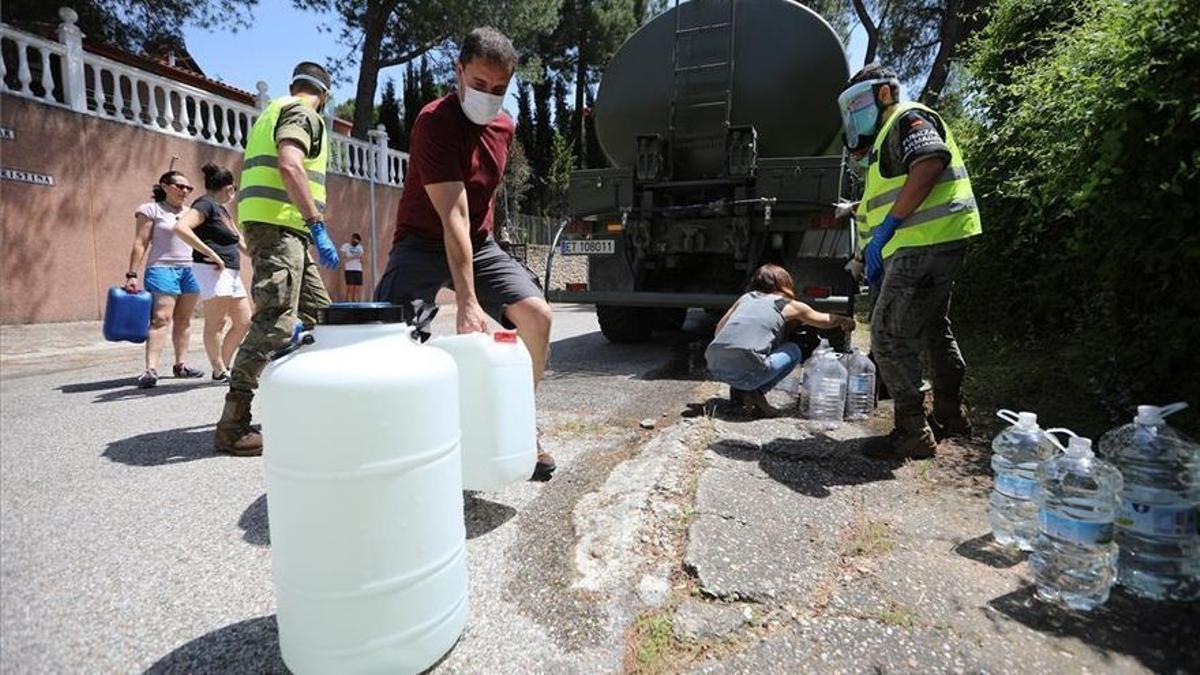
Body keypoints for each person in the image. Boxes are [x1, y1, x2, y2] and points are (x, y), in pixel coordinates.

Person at [374, 27, 556, 481]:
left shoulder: (505, 126)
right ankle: (399, 440)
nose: (488, 96)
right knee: (387, 340)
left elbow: (479, 205)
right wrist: (468, 301)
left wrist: (482, 266)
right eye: (479, 84)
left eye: (499, 89)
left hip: (480, 241)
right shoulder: (433, 121)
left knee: (537, 315)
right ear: (458, 71)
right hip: (422, 239)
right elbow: (452, 214)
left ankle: (519, 427)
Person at [837, 63, 983, 460]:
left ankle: (912, 431)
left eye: (859, 103)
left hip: (924, 244)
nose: (855, 115)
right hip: (939, 241)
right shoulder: (885, 139)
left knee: (887, 334)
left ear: (883, 93)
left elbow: (930, 162)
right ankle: (951, 415)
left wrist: (889, 228)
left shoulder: (906, 117)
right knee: (935, 327)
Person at [214, 62, 338, 456]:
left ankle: (313, 403)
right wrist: (316, 223)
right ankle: (233, 425)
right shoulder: (304, 112)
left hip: (286, 231)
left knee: (323, 317)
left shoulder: (274, 111)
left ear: (294, 84)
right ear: (326, 94)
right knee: (275, 320)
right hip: (281, 227)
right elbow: (289, 164)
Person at [706, 264, 856, 417]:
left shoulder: (746, 298)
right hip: (748, 371)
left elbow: (719, 329)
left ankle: (740, 392)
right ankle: (755, 392)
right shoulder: (787, 305)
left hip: (715, 366)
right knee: (794, 350)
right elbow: (824, 320)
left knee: (752, 349)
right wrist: (844, 320)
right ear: (784, 283)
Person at [123, 171, 206, 388]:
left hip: (190, 270)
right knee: (161, 318)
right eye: (180, 186)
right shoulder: (150, 210)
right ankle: (150, 369)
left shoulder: (191, 213)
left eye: (189, 188)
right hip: (162, 269)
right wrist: (132, 274)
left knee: (184, 319)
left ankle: (181, 365)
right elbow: (140, 243)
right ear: (165, 186)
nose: (185, 191)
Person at [173, 163, 251, 382]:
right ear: (228, 188)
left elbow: (238, 240)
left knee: (243, 322)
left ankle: (224, 367)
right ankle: (219, 370)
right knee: (216, 323)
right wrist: (211, 253)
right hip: (213, 270)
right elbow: (181, 227)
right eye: (234, 188)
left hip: (232, 272)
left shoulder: (222, 210)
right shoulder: (205, 204)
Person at [340, 233, 365, 301]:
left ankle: (356, 304)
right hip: (349, 269)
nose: (356, 243)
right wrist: (352, 257)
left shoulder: (360, 247)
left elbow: (362, 259)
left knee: (357, 289)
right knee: (350, 288)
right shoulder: (345, 246)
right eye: (355, 241)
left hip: (358, 269)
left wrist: (361, 259)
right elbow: (343, 257)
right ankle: (348, 303)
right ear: (352, 239)